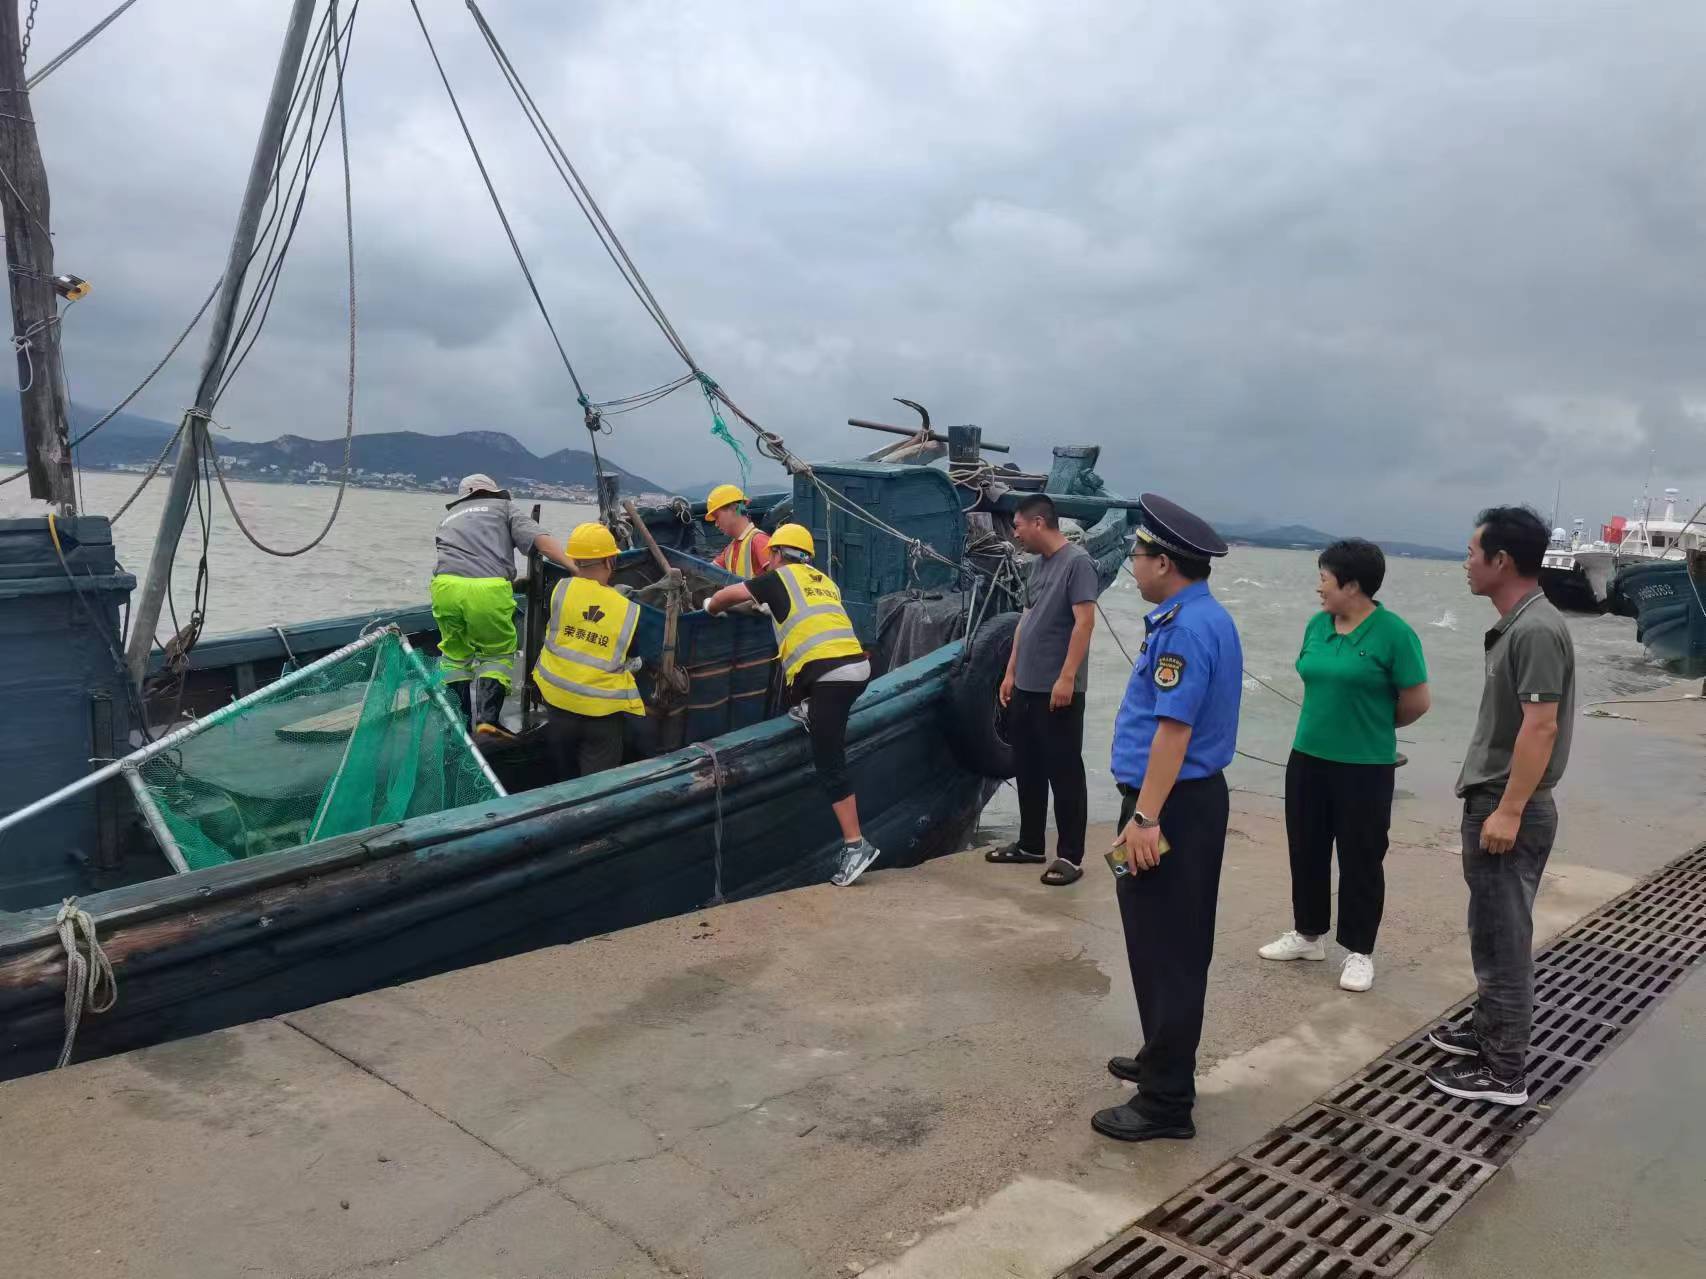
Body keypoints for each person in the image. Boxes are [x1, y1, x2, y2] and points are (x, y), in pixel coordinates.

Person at [1092, 494, 1242, 1144]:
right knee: (1164, 939)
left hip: (1171, 804)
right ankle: (1161, 1054)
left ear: (1165, 562)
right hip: (1180, 799)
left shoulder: (1183, 628)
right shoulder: (1202, 615)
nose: (1132, 564)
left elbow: (1173, 731)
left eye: (1137, 554)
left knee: (1167, 948)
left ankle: (1166, 1100)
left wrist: (1145, 817)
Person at [1426, 506, 1574, 1107]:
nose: (1466, 563)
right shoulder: (1520, 624)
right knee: (1490, 928)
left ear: (1501, 560)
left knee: (1503, 939)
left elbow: (1541, 726)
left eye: (1472, 552)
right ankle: (1489, 1030)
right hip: (1498, 798)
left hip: (1510, 802)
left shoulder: (1535, 629)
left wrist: (1509, 809)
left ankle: (1504, 1069)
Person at [1259, 539, 1431, 992]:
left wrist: (1370, 723)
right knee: (1306, 849)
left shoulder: (1394, 633)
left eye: (1324, 579)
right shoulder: (1317, 625)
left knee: (1361, 858)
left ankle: (1359, 951)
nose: (1319, 588)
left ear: (1352, 585)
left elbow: (1416, 702)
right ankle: (1307, 934)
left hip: (1365, 765)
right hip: (1307, 757)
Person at [703, 523, 880, 887]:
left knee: (830, 763)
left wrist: (709, 606)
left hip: (830, 678)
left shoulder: (776, 579)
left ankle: (855, 846)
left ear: (775, 554)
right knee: (801, 699)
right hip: (857, 669)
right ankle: (809, 710)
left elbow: (727, 596)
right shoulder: (823, 582)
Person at [989, 494, 1098, 886]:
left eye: (1018, 526)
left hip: (1058, 689)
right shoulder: (1037, 566)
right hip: (1026, 685)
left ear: (1038, 523)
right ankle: (1031, 843)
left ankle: (1070, 855)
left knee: (1064, 771)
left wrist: (1067, 677)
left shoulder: (1078, 563)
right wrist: (1010, 672)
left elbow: (1084, 622)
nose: (1015, 535)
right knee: (1028, 766)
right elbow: (1026, 620)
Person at [433, 473, 575, 734]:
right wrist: (574, 567)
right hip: (486, 590)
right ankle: (487, 720)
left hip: (444, 588)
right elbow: (540, 542)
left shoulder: (449, 517)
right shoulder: (504, 507)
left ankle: (457, 726)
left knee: (454, 656)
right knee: (496, 653)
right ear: (493, 492)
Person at [532, 522, 646, 777]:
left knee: (565, 772)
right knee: (597, 781)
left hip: (557, 700)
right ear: (609, 561)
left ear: (575, 560)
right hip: (601, 713)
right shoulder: (627, 609)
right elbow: (634, 661)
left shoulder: (559, 590)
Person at [705, 483, 771, 578]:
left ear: (735, 508)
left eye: (717, 516)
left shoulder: (759, 541)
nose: (716, 524)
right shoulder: (729, 551)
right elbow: (706, 571)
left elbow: (780, 580)